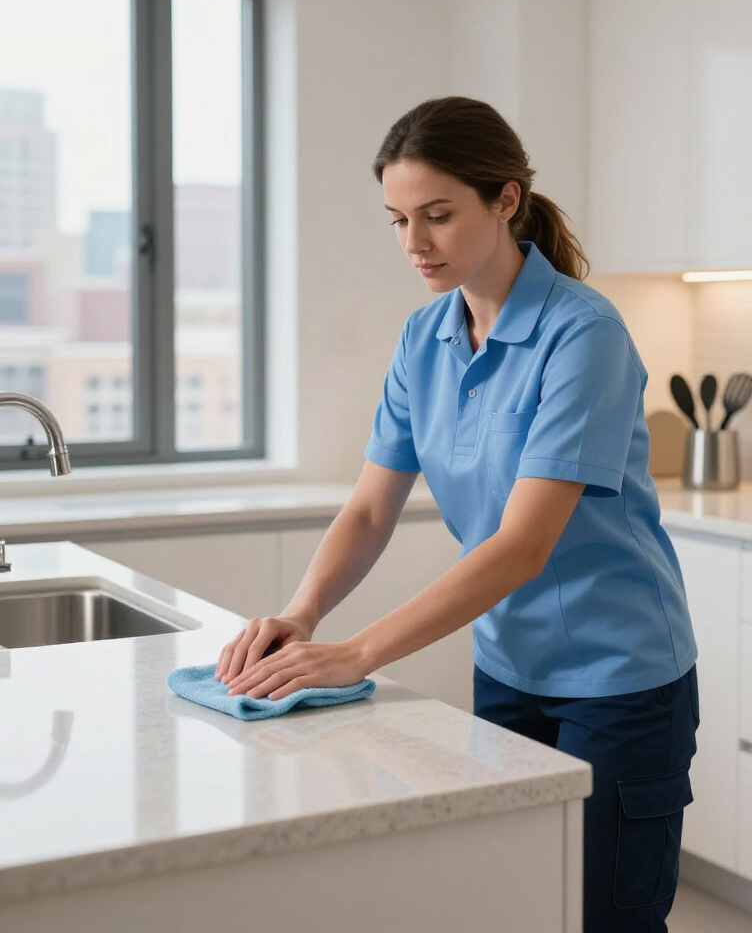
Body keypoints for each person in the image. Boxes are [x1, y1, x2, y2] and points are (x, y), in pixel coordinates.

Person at [214, 96, 699, 933]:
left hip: (619, 682)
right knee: (517, 904)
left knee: (606, 918)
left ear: (506, 200)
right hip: (509, 669)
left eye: (437, 215)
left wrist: (358, 652)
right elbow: (371, 508)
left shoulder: (583, 335)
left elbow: (521, 546)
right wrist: (301, 615)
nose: (414, 243)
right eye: (399, 219)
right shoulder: (424, 337)